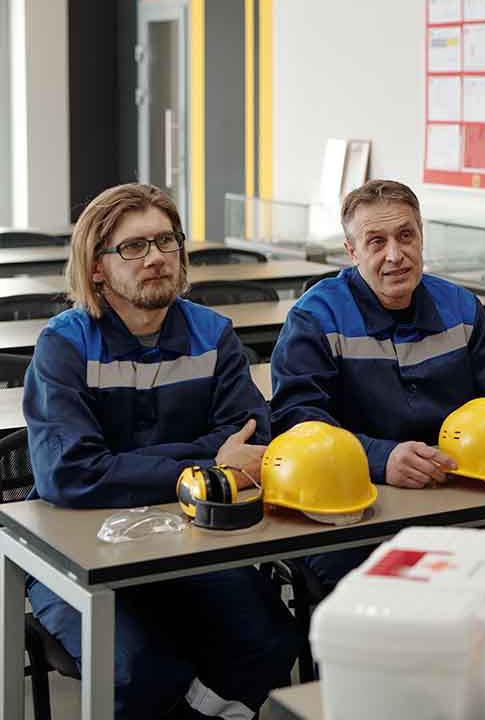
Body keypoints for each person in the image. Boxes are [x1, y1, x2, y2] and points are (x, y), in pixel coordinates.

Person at [23, 184, 298, 719]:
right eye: (133, 247)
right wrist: (206, 464)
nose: (155, 258)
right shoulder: (65, 344)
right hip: (79, 552)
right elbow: (71, 474)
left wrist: (139, 465)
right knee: (135, 667)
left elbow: (249, 438)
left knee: (269, 638)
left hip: (190, 541)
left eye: (165, 242)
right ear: (97, 267)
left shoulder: (212, 334)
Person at [270, 179, 485, 617]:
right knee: (394, 612)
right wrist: (381, 458)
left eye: (406, 235)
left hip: (462, 503)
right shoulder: (316, 318)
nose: (395, 254)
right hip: (356, 516)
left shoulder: (460, 308)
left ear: (421, 236)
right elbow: (297, 423)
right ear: (352, 253)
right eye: (376, 242)